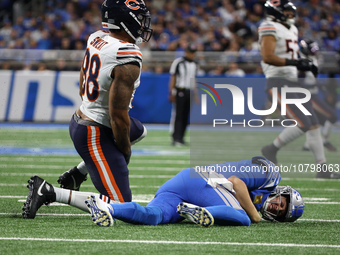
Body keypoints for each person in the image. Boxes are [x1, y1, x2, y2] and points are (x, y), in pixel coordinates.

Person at [22, 0, 153, 219]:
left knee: (139, 130)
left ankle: (79, 172)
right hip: (94, 132)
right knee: (121, 205)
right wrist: (125, 152)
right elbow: (118, 118)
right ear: (124, 20)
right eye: (139, 19)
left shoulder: (97, 37)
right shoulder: (127, 56)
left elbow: (83, 79)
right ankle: (49, 191)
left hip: (83, 117)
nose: (142, 25)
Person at [22, 156, 305, 227]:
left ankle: (104, 208)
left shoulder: (267, 197)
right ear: (282, 191)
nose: (277, 207)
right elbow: (238, 182)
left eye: (281, 213)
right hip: (202, 181)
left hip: (182, 187)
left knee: (152, 215)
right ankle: (201, 213)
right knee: (243, 218)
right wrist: (254, 216)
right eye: (283, 202)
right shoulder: (269, 173)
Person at [258, 0, 339, 179]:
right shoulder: (268, 26)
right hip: (277, 81)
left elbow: (289, 57)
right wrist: (296, 62)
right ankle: (270, 149)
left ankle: (322, 168)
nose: (291, 15)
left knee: (314, 122)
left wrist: (304, 65)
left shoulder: (292, 29)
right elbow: (267, 56)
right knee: (303, 123)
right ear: (276, 11)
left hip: (292, 81)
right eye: (287, 12)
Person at [299, 39, 338, 152]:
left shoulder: (312, 60)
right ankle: (324, 141)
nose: (315, 52)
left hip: (314, 93)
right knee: (331, 116)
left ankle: (307, 145)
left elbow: (314, 80)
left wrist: (324, 89)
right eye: (313, 50)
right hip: (309, 95)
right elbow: (299, 81)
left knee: (315, 120)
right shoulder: (301, 62)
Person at [169, 43, 199, 146]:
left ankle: (181, 138)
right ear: (186, 52)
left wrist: (196, 94)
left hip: (189, 91)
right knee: (179, 115)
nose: (192, 55)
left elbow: (193, 80)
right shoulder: (178, 62)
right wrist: (171, 92)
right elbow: (173, 78)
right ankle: (175, 138)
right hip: (180, 90)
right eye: (191, 52)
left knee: (186, 116)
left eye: (194, 53)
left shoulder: (195, 64)